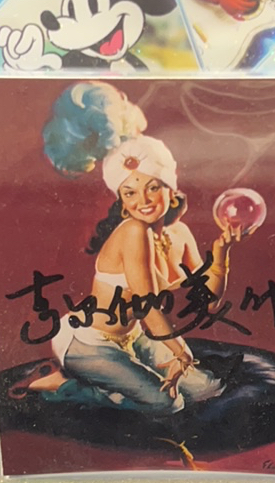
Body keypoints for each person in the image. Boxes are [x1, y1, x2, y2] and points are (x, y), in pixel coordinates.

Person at [13, 83, 244, 414]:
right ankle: (60, 383)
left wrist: (221, 255)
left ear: (170, 188)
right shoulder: (132, 232)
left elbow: (205, 303)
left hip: (132, 337)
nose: (143, 201)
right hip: (87, 343)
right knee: (169, 403)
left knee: (206, 388)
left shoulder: (179, 233)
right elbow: (148, 305)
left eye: (153, 187)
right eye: (130, 193)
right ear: (121, 201)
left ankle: (123, 373)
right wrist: (180, 352)